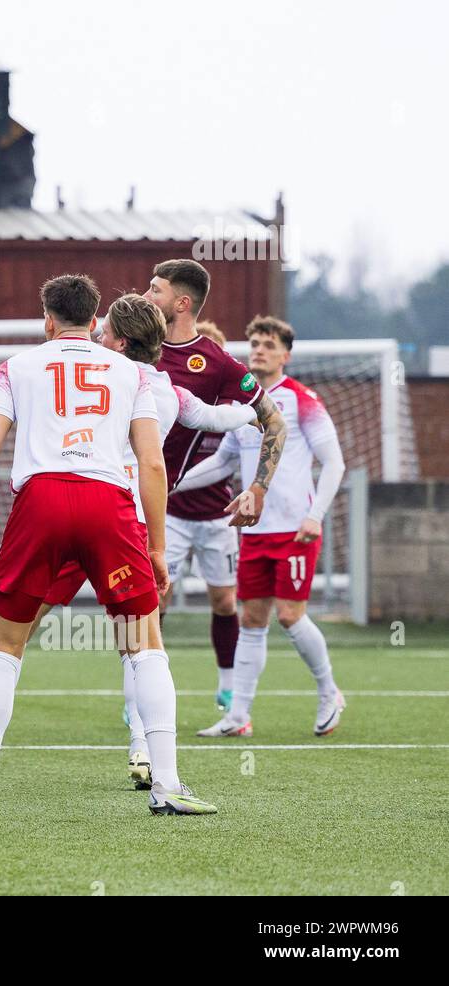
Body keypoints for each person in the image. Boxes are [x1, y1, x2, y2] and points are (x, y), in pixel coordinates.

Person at [0, 295, 254, 790]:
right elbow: (214, 418)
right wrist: (258, 410)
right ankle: (147, 756)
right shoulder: (161, 389)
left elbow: (55, 410)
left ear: (119, 340)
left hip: (75, 506)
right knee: (138, 641)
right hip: (122, 522)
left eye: (106, 334)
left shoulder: (125, 379)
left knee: (12, 630)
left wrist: (4, 397)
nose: (98, 338)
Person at [176, 316, 347, 738]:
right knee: (251, 619)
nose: (258, 350)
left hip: (295, 529)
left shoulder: (302, 400)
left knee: (289, 615)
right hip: (253, 529)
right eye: (254, 343)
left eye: (269, 345)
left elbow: (335, 463)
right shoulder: (243, 407)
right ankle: (238, 716)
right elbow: (222, 463)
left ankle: (329, 692)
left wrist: (315, 515)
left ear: (285, 354)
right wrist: (170, 484)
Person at [144, 260, 287, 711]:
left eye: (155, 289)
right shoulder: (127, 343)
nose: (146, 295)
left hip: (197, 511)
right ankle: (140, 699)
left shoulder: (218, 368)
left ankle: (220, 688)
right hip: (129, 501)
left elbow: (273, 422)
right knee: (145, 605)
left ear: (181, 303)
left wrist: (258, 488)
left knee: (217, 602)